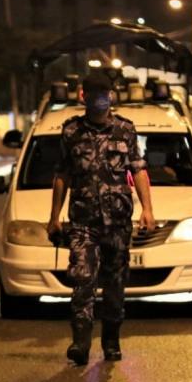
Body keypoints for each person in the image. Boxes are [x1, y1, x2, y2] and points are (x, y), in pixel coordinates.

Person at [47, 71, 155, 366]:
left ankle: (111, 340)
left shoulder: (125, 130)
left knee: (115, 285)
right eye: (93, 94)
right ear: (83, 96)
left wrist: (147, 209)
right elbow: (62, 174)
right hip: (83, 222)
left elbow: (138, 170)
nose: (99, 99)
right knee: (82, 279)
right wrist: (54, 216)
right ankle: (81, 342)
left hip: (118, 223)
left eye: (103, 94)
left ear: (111, 96)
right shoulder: (71, 131)